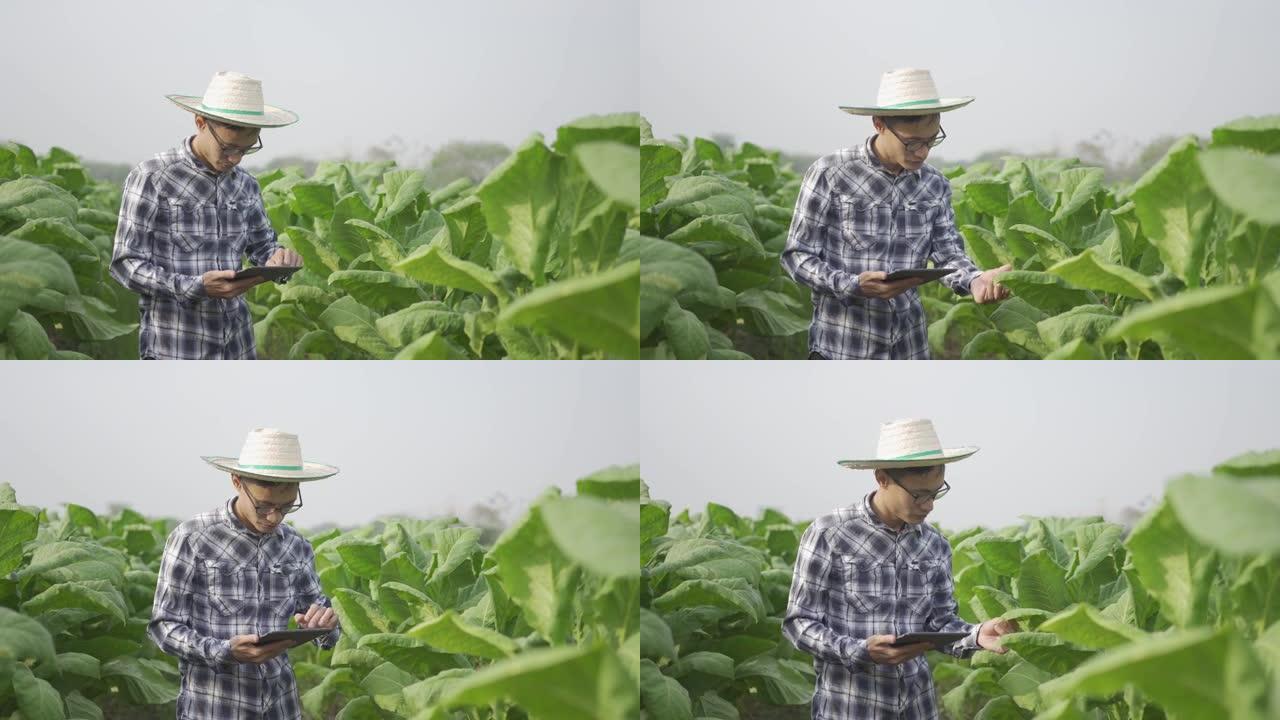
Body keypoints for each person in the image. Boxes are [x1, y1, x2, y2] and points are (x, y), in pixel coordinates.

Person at [783, 418, 1018, 719]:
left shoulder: (935, 545)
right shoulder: (830, 533)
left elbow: (940, 625)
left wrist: (976, 634)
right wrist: (860, 650)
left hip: (917, 705)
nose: (929, 505)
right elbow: (798, 623)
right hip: (850, 706)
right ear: (882, 478)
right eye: (919, 494)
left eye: (936, 493)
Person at [781, 68, 1012, 359]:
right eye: (913, 142)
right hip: (843, 347)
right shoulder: (830, 173)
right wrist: (852, 285)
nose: (923, 152)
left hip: (909, 347)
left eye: (931, 140)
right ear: (879, 124)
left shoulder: (934, 184)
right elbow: (796, 257)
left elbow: (948, 255)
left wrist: (975, 279)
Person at [148, 428, 340, 718]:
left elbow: (321, 625)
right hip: (214, 708)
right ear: (237, 482)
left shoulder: (296, 546)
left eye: (286, 507)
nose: (274, 517)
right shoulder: (193, 538)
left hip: (281, 707)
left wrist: (325, 625)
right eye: (263, 506)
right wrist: (224, 651)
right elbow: (163, 627)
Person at [110, 71, 303, 359]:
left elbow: (263, 246)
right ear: (200, 123)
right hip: (176, 347)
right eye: (228, 147)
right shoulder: (153, 177)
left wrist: (278, 260)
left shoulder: (246, 184)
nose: (235, 159)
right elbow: (125, 265)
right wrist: (195, 287)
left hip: (238, 344)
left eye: (246, 149)